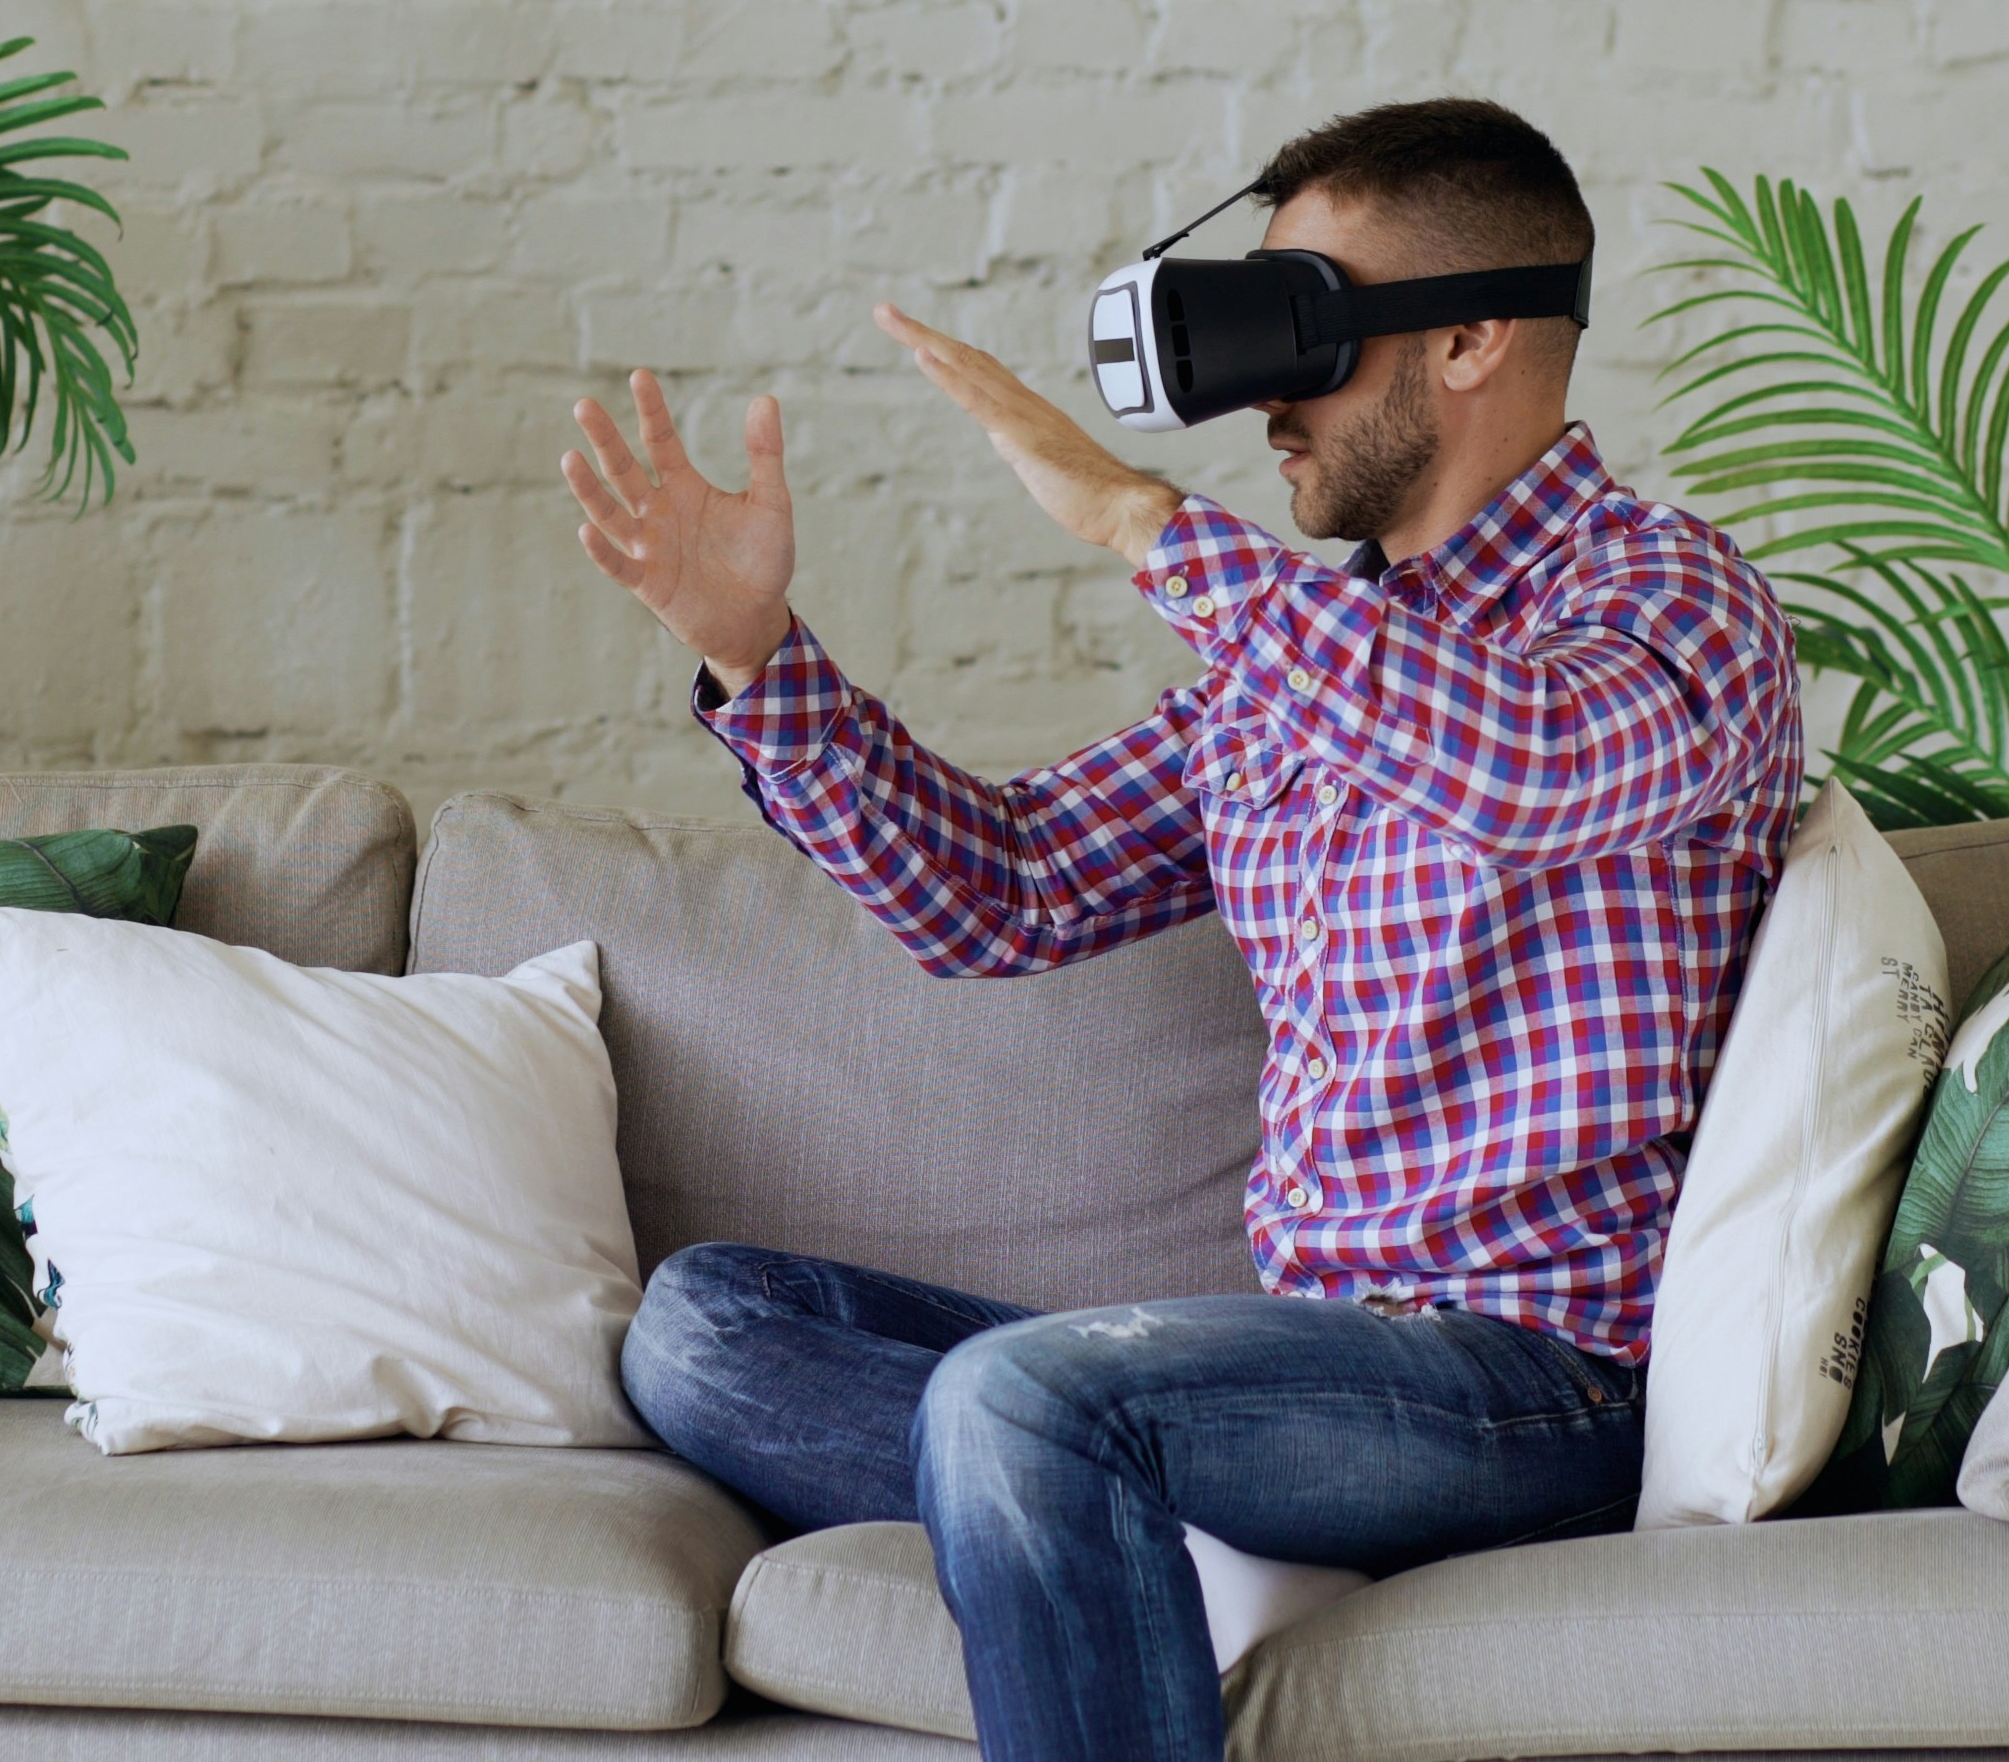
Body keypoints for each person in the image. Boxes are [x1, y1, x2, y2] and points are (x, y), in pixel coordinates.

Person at [555, 99, 1807, 1762]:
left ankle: (1084, 1486)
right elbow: (1003, 888)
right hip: (1302, 1374)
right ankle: (1106, 1511)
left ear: (1472, 335)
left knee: (1025, 1404)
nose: (1266, 401)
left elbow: (1530, 769)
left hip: (1542, 1380)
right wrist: (758, 657)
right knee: (704, 1326)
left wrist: (1148, 525)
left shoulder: (1667, 603)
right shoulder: (1288, 667)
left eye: (1302, 333)